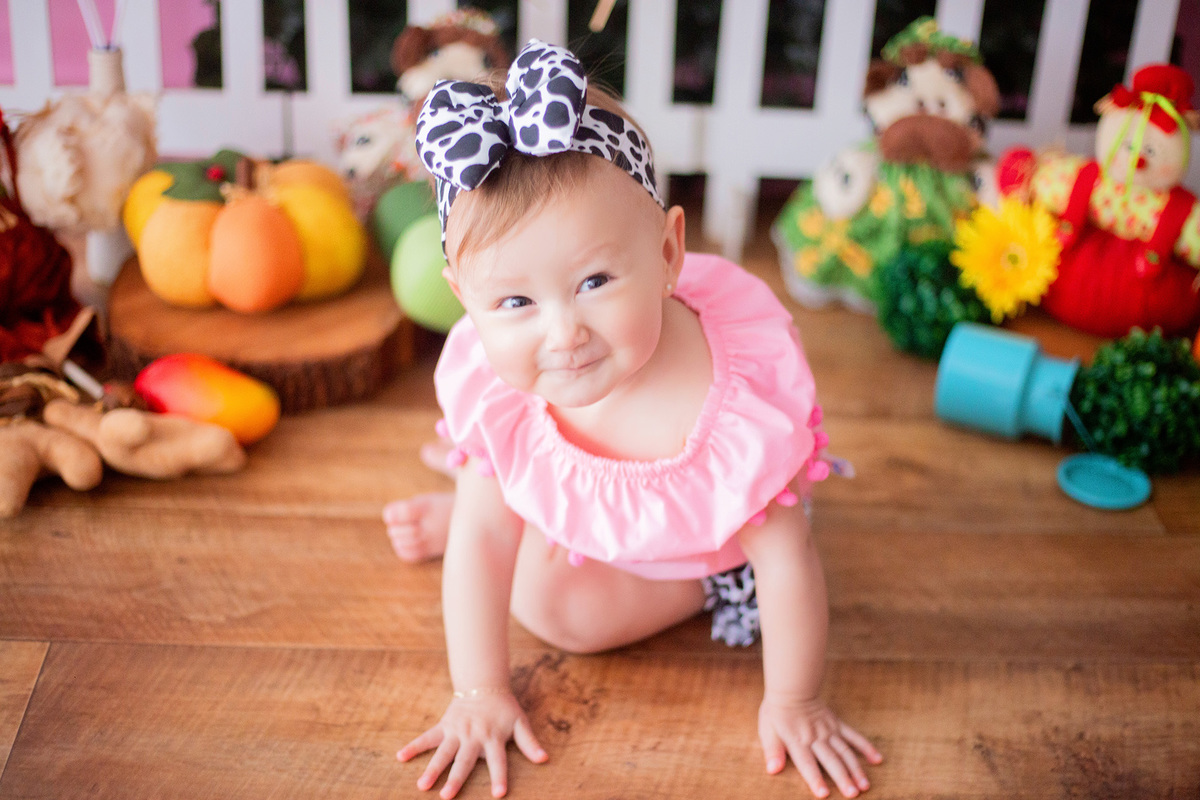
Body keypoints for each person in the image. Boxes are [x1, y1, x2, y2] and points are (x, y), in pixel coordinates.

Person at [384, 40, 882, 800]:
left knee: (559, 612)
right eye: (515, 302)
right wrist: (478, 693)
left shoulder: (729, 409)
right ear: (463, 296)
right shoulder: (508, 387)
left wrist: (796, 702)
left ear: (669, 252)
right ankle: (482, 497)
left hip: (699, 542)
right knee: (491, 530)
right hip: (582, 500)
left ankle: (700, 589)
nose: (563, 333)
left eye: (595, 281)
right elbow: (489, 539)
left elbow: (788, 561)